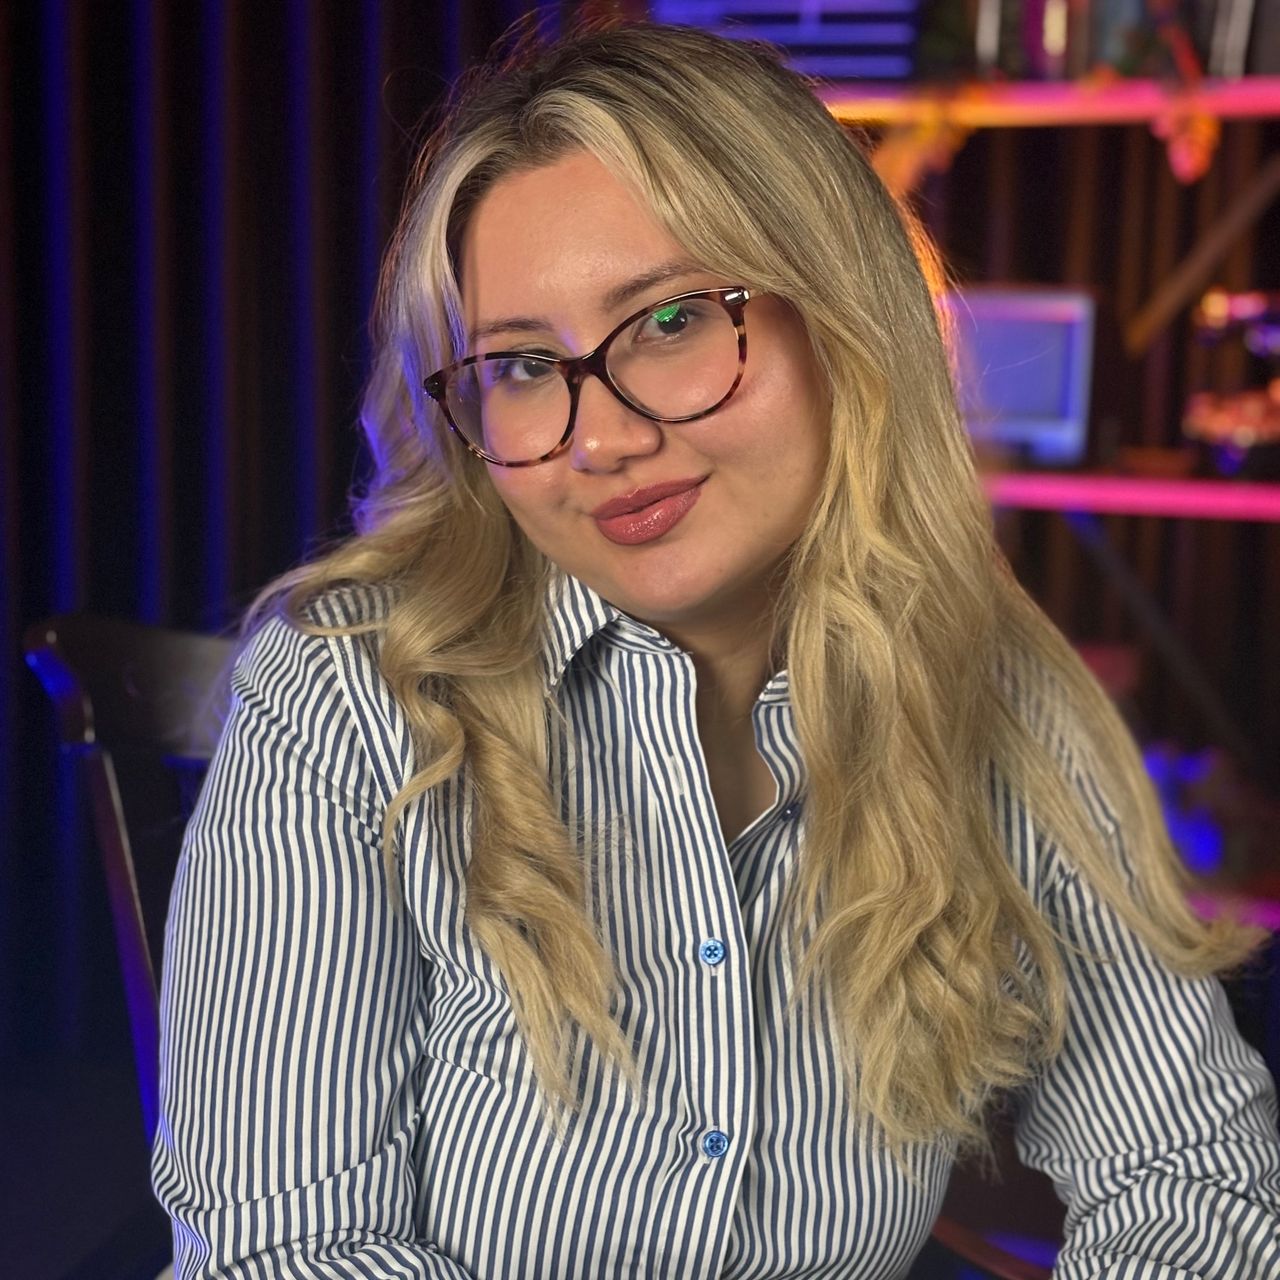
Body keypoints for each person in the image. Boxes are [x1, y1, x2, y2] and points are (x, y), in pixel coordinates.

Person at [151, 19, 1280, 1279]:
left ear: (840, 314)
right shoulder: (342, 695)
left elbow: (1190, 1174)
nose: (599, 438)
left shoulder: (993, 686)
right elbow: (281, 1248)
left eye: (672, 318)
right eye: (520, 364)